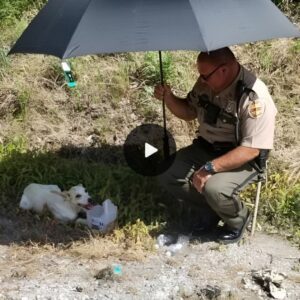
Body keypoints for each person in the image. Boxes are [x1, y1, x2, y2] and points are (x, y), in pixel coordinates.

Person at [154, 47, 277, 244]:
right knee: (167, 171)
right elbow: (188, 112)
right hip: (205, 148)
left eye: (205, 76)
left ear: (224, 70)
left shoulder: (254, 97)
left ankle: (237, 220)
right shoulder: (207, 82)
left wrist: (210, 168)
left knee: (214, 188)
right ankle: (211, 210)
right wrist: (168, 97)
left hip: (241, 158)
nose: (201, 80)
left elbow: (252, 149)